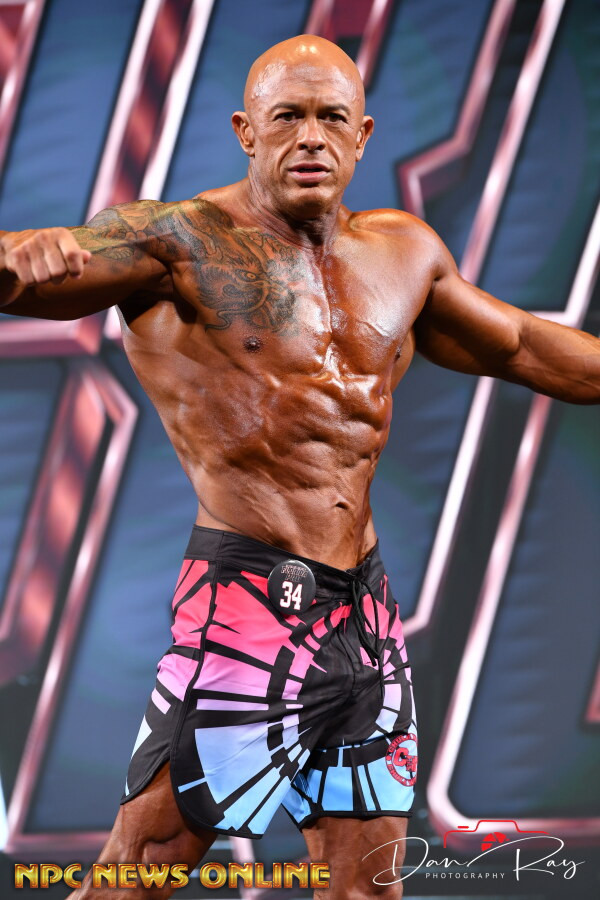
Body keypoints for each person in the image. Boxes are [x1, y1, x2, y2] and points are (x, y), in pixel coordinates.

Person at [1, 33, 598, 900]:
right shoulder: (179, 242)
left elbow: (521, 344)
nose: (310, 137)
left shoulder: (403, 253)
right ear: (246, 131)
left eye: (331, 118)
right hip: (246, 603)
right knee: (139, 878)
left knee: (368, 887)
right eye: (287, 117)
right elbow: (45, 268)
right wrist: (16, 258)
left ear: (363, 134)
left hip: (365, 615)